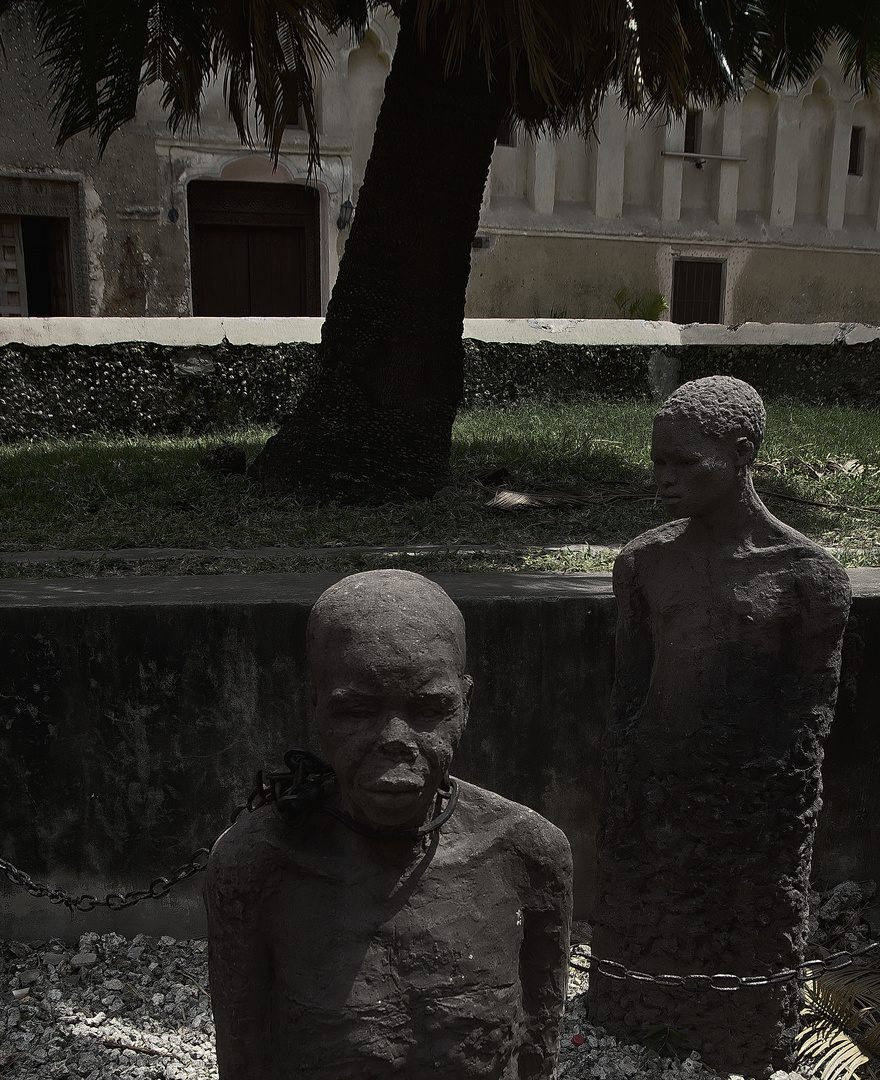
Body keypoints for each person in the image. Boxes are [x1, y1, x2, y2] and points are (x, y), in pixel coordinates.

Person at [205, 569, 572, 1080]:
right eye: (356, 711)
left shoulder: (528, 854)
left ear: (466, 705)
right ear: (315, 705)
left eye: (429, 710)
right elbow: (246, 1058)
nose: (395, 741)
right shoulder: (257, 866)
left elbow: (537, 1045)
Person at [588, 377, 851, 1075]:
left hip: (751, 812)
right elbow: (629, 697)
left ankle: (741, 1031)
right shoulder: (645, 562)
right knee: (648, 938)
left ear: (740, 455)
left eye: (685, 464)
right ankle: (632, 1023)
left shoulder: (807, 577)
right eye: (656, 464)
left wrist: (766, 818)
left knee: (740, 943)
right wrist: (631, 799)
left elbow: (807, 721)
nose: (664, 482)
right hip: (657, 793)